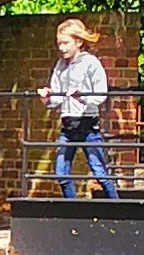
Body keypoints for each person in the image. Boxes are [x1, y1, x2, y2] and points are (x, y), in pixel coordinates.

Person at [43, 18, 117, 198]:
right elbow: (57, 98)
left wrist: (82, 96)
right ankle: (73, 209)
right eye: (59, 43)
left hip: (87, 125)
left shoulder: (91, 63)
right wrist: (47, 97)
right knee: (61, 173)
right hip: (67, 126)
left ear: (79, 41)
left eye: (66, 43)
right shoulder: (60, 65)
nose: (62, 48)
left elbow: (100, 95)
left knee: (99, 172)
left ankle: (118, 208)